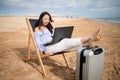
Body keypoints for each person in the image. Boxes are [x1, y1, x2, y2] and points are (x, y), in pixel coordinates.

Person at [34, 12, 101, 55]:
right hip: (47, 48)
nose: (47, 21)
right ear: (41, 19)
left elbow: (54, 36)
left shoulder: (49, 27)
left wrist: (53, 28)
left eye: (48, 19)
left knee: (69, 47)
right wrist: (45, 47)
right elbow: (38, 44)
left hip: (55, 44)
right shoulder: (37, 29)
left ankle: (87, 44)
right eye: (45, 19)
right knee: (65, 42)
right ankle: (91, 37)